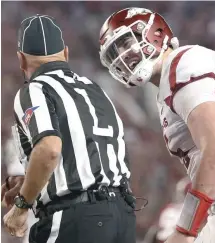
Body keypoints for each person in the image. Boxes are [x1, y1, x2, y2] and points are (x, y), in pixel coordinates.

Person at [98, 7, 215, 243]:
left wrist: (184, 230)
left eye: (127, 42)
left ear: (155, 32)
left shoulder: (181, 63)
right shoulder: (170, 82)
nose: (124, 55)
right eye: (115, 52)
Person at [2, 14, 136, 243]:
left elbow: (49, 149)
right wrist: (29, 185)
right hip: (122, 216)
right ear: (65, 53)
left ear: (21, 59)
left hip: (75, 219)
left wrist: (22, 206)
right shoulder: (96, 90)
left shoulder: (35, 89)